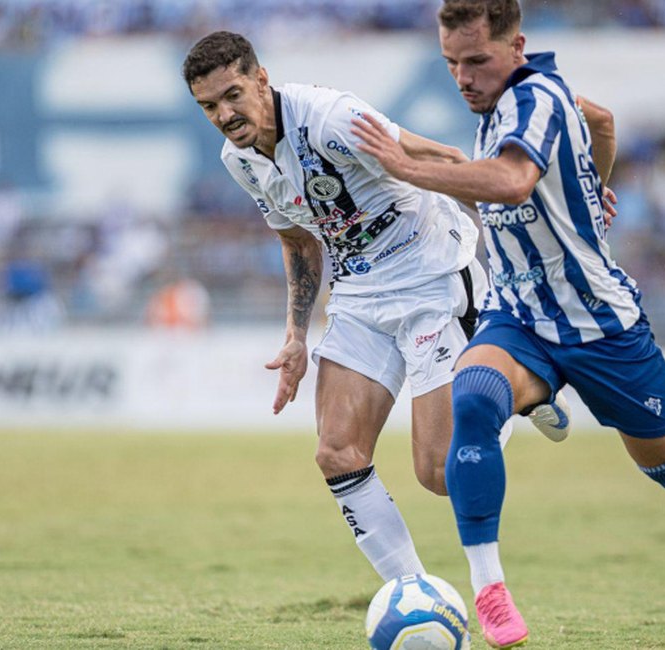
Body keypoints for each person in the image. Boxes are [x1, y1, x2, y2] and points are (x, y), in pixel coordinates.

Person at [350, 1, 665, 648]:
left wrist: (408, 169)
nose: (463, 77)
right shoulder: (503, 105)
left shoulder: (537, 96)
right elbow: (600, 121)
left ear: (516, 45)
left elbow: (515, 182)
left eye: (477, 61)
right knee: (474, 396)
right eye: (451, 63)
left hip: (601, 327)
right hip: (519, 317)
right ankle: (489, 588)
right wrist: (587, 186)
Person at [181, 31, 571, 586]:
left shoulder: (330, 118)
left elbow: (447, 158)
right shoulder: (240, 161)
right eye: (209, 106)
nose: (224, 114)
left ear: (261, 78)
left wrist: (513, 256)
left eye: (232, 95)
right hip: (361, 296)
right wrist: (295, 335)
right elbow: (298, 242)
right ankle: (415, 595)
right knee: (337, 452)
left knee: (439, 473)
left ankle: (522, 382)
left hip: (432, 276)